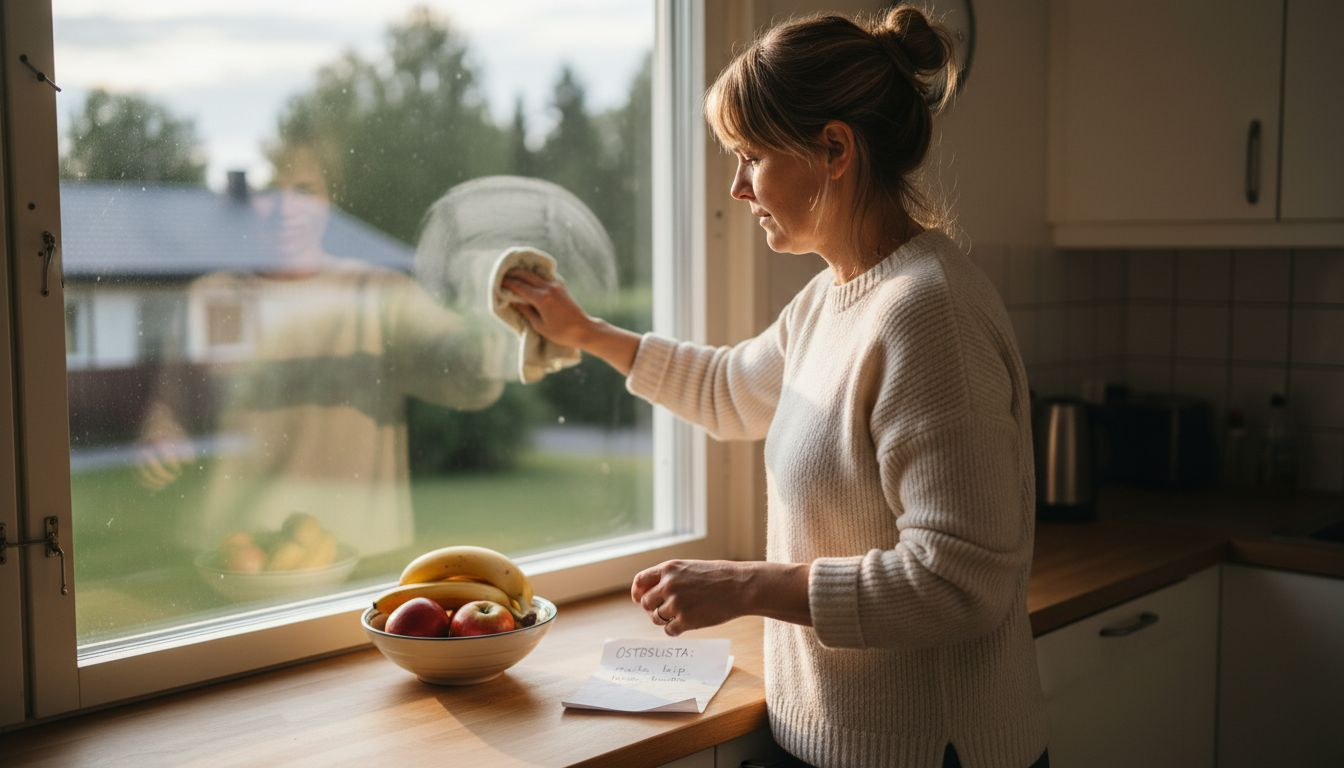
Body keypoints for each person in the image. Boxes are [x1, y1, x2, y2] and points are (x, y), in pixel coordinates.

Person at [501, 6, 1049, 768]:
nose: (736, 188)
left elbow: (959, 582)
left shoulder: (931, 314)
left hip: (925, 751)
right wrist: (585, 332)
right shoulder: (832, 299)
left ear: (833, 149)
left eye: (750, 157)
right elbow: (730, 391)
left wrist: (747, 586)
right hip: (822, 738)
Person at [136, 143, 509, 563]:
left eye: (304, 190)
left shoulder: (379, 293)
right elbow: (171, 405)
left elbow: (466, 369)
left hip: (363, 554)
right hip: (241, 556)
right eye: (270, 191)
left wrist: (501, 325)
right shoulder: (212, 297)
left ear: (328, 202)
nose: (286, 208)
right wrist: (161, 437)